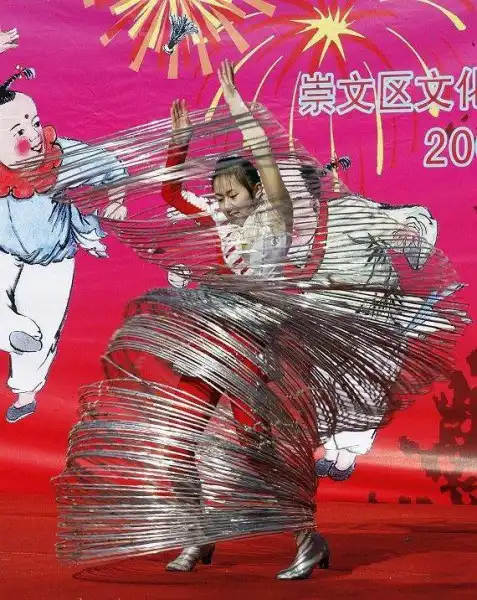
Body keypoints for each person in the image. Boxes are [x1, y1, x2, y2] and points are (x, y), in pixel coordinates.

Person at [158, 59, 329, 579]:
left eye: (231, 195)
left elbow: (265, 158)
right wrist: (179, 145)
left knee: (259, 451)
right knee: (177, 443)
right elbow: (170, 194)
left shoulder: (276, 217)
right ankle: (196, 535)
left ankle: (307, 538)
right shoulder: (218, 220)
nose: (223, 205)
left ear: (256, 191)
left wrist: (236, 107)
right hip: (209, 346)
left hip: (252, 350)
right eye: (217, 196)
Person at [0, 66, 127, 423]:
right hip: (2, 255)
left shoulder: (62, 156)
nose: (33, 135)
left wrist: (115, 200)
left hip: (50, 260)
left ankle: (25, 390)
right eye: (18, 131)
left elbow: (112, 167)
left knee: (42, 325)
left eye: (35, 123)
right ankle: (9, 330)